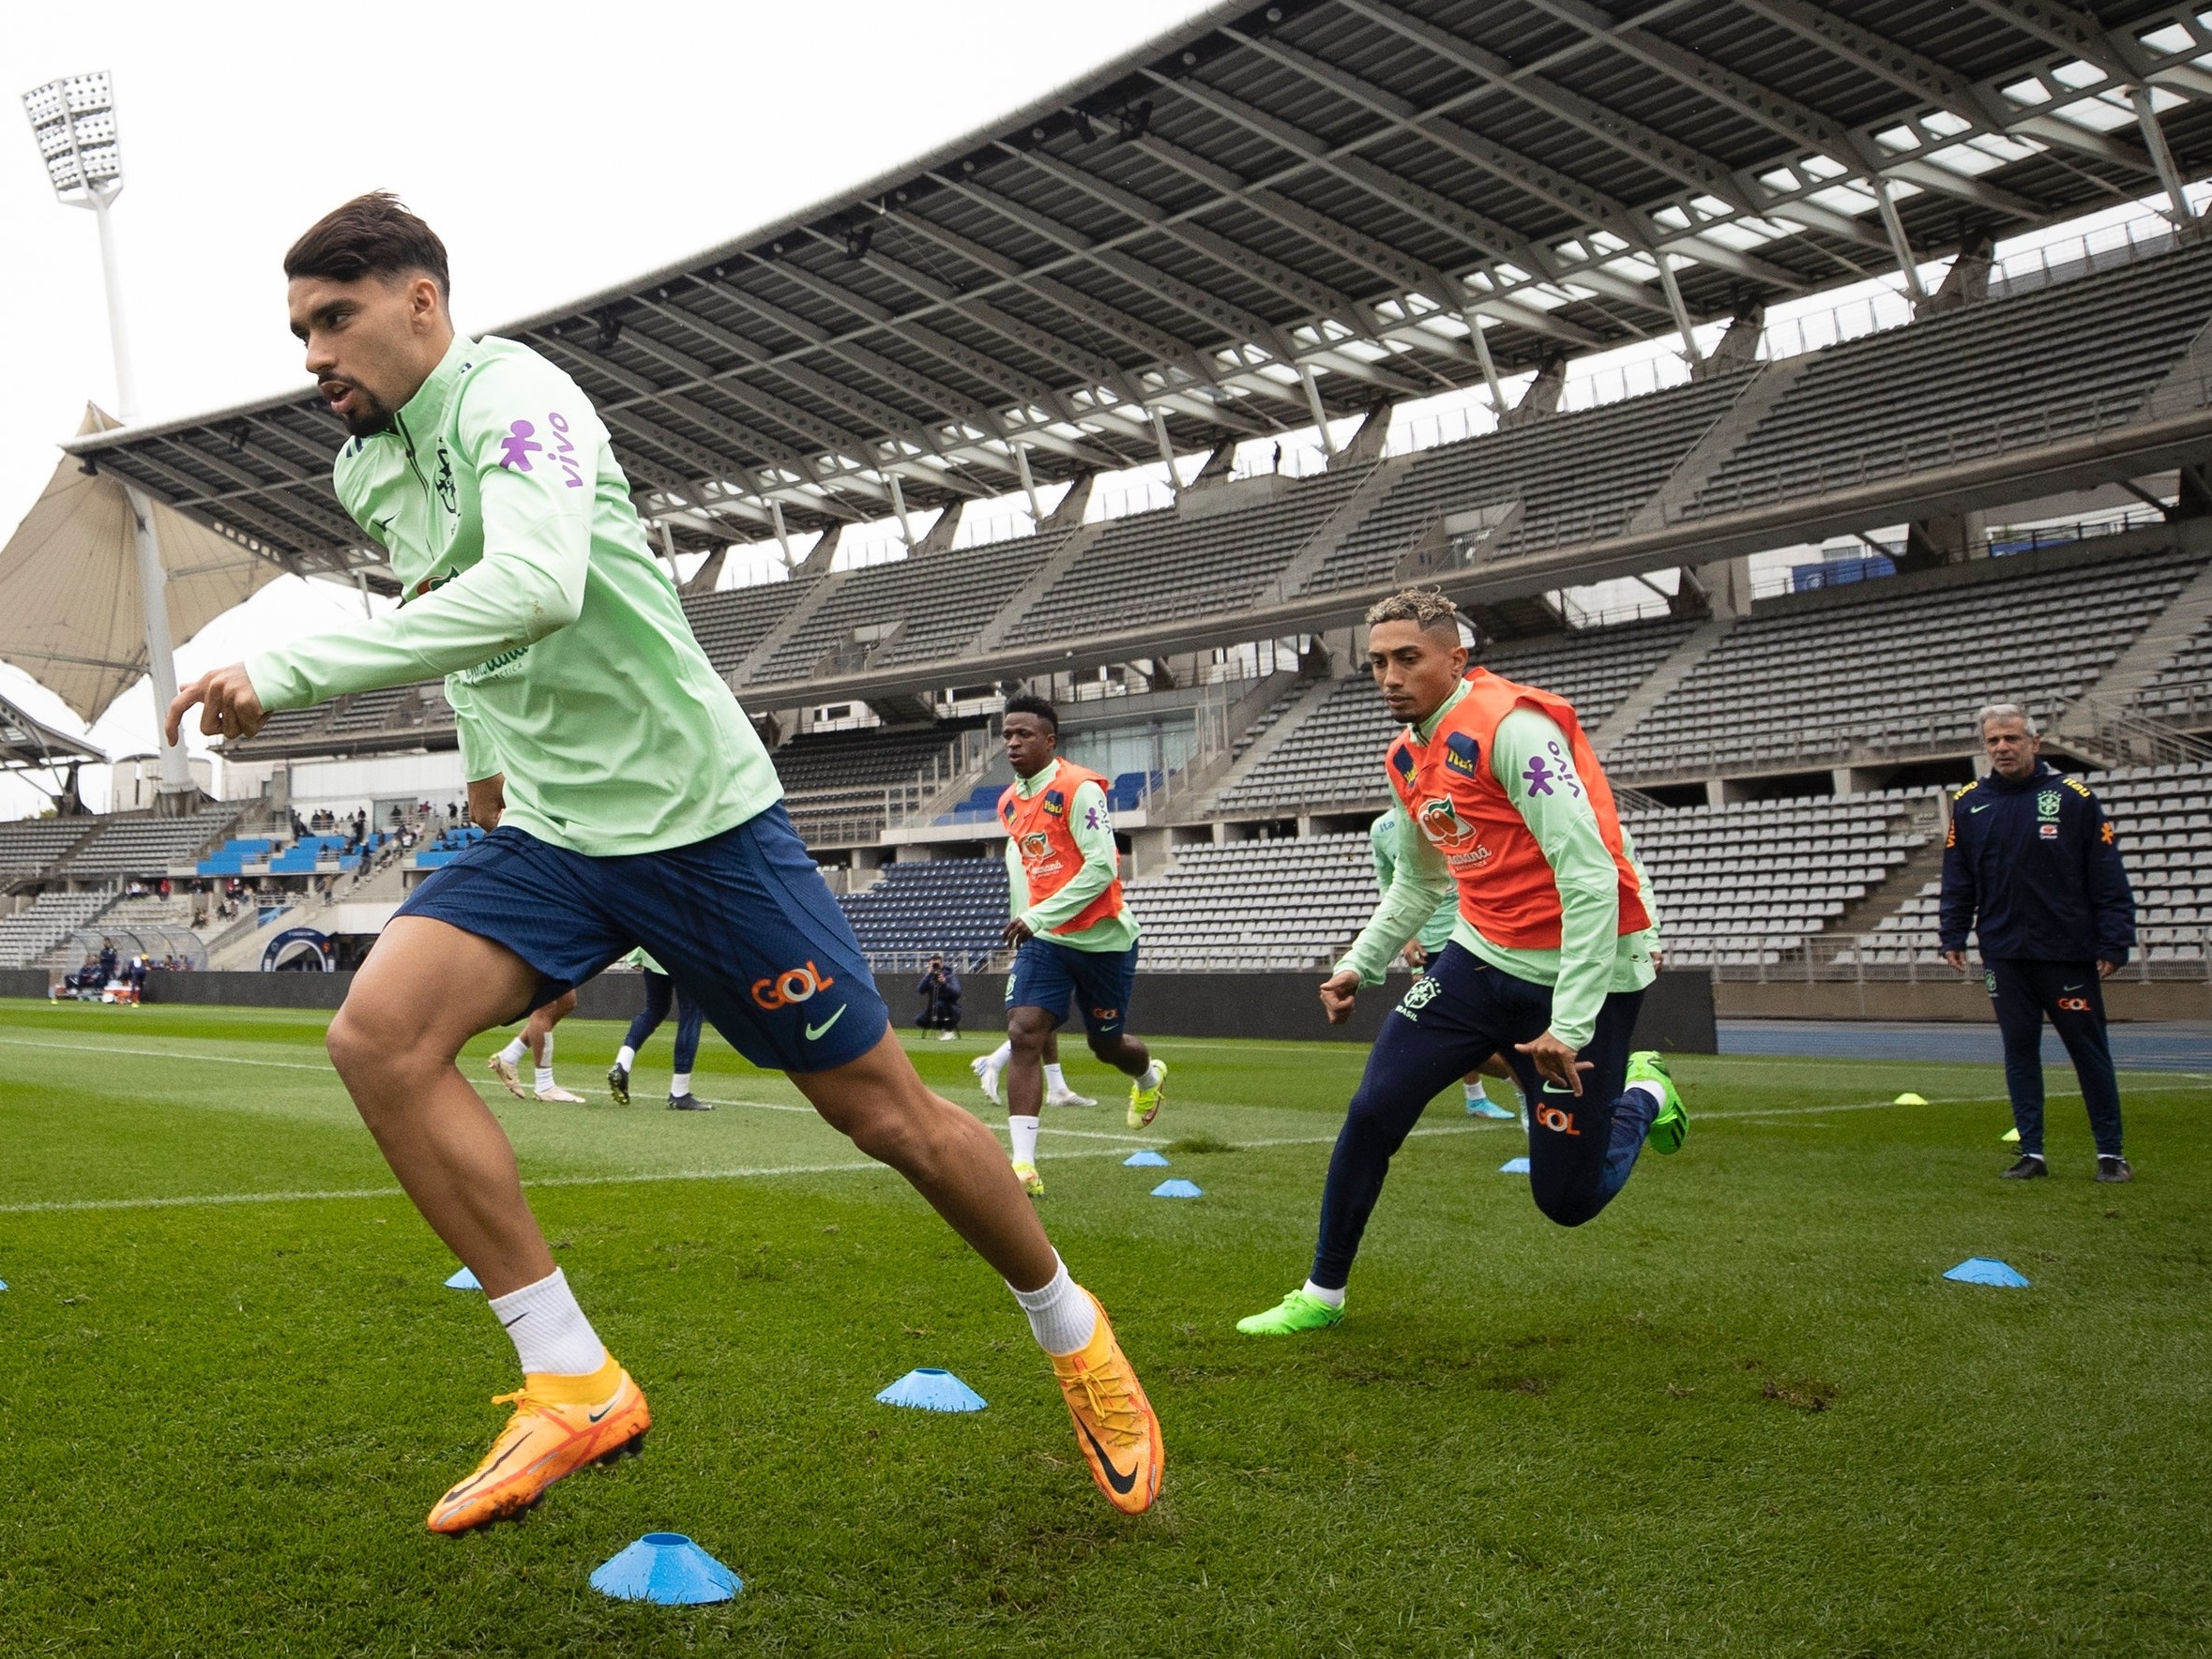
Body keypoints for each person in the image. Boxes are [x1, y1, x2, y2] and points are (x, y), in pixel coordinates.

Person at [165, 192, 1159, 1531]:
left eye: (333, 320)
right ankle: (570, 1375)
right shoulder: (365, 470)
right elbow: (455, 625)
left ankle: (1069, 1324)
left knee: (886, 1120)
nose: (311, 357)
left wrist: (280, 670)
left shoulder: (519, 398)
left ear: (422, 303)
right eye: (297, 331)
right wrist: (482, 793)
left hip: (698, 826)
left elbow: (531, 586)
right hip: (554, 835)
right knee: (378, 1039)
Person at [1238, 589, 1685, 1336]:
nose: (1389, 676)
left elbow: (1587, 877)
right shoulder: (1407, 755)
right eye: (1378, 661)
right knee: (1374, 1109)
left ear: (1456, 658)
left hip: (1583, 975)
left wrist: (1570, 1025)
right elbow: (1420, 879)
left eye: (1408, 658)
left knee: (1567, 1202)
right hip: (1477, 958)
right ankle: (1323, 1291)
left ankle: (1644, 1092)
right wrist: (1360, 963)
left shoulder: (1513, 730)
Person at [1940, 703, 2136, 1183]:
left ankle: (2110, 1154)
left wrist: (2115, 940)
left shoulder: (2074, 797)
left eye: (2011, 738)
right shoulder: (1968, 802)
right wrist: (1952, 930)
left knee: (2088, 1051)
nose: (2002, 748)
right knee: (2019, 1051)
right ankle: (2032, 1152)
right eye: (1993, 741)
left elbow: (2106, 873)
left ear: (2034, 743)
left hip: (2066, 950)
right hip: (2004, 952)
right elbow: (1959, 875)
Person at [993, 694, 1166, 1198]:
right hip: (1047, 939)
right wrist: (1022, 919)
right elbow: (1026, 868)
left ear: (1050, 740)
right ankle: (1023, 1166)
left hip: (1104, 940)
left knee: (1105, 1046)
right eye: (1007, 734)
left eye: (1024, 734)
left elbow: (1101, 868)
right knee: (1025, 1031)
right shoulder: (1009, 802)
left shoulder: (1080, 789)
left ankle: (1149, 1077)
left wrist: (1037, 914)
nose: (1013, 743)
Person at [1371, 807, 1521, 1123]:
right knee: (1450, 1031)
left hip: (1477, 935)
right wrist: (1406, 936)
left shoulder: (1457, 810)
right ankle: (1498, 1090)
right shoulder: (1382, 828)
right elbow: (1388, 883)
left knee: (1494, 1026)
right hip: (1429, 948)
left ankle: (1513, 1086)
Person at [609, 946, 709, 1110]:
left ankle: (622, 1063)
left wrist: (636, 954)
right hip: (685, 951)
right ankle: (679, 1092)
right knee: (691, 1012)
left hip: (653, 950)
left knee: (655, 1008)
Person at [915, 956, 963, 1040]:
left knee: (940, 1004)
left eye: (936, 964)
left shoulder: (951, 976)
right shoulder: (930, 978)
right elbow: (920, 990)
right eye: (932, 964)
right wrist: (928, 974)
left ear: (942, 964)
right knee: (919, 1020)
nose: (935, 966)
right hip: (932, 1010)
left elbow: (957, 993)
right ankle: (942, 1028)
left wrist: (945, 983)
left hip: (950, 1009)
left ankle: (948, 1030)